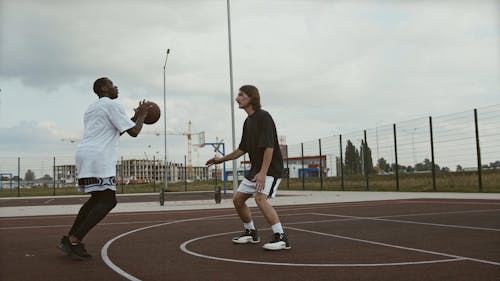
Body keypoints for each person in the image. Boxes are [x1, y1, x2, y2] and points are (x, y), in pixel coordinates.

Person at [57, 77, 151, 259]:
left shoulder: (93, 107)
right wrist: (142, 116)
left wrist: (135, 117)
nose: (116, 86)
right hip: (99, 156)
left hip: (85, 154)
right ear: (103, 88)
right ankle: (75, 238)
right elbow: (134, 132)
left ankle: (70, 238)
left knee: (96, 199)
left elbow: (121, 127)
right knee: (109, 201)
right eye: (111, 84)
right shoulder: (112, 105)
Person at [206, 85, 290, 251]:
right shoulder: (248, 122)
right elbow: (242, 149)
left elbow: (269, 147)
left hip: (270, 169)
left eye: (241, 95)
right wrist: (220, 160)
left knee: (260, 198)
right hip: (256, 170)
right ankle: (251, 232)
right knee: (238, 199)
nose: (237, 98)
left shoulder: (264, 117)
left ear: (251, 98)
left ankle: (281, 237)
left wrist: (263, 173)